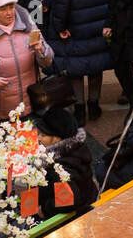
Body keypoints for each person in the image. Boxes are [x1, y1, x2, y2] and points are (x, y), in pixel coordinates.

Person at [47, 0, 111, 127]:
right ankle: (94, 104)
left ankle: (80, 108)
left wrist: (60, 26)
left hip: (75, 23)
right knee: (95, 63)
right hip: (98, 18)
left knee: (75, 65)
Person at [0, 0, 54, 125]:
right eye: (3, 9)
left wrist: (41, 50)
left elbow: (47, 62)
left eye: (11, 7)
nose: (9, 13)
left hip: (32, 102)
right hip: (2, 108)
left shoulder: (28, 25)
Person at [23, 82, 97, 217]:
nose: (38, 138)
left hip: (73, 216)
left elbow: (69, 200)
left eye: (43, 135)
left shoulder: (60, 167)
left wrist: (44, 210)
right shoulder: (74, 147)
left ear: (57, 139)